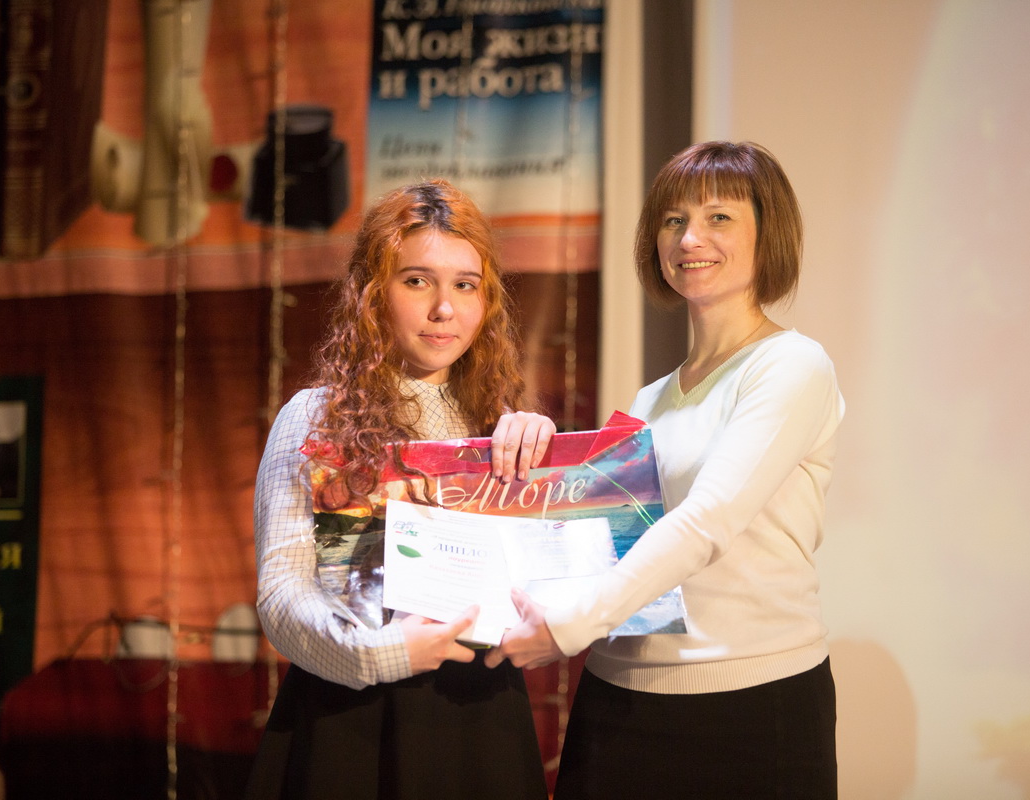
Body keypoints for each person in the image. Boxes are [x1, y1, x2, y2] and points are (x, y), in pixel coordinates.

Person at [487, 141, 845, 799]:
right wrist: (525, 448)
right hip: (617, 697)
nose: (689, 239)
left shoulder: (792, 366)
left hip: (750, 703)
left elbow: (708, 520)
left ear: (769, 235)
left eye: (719, 218)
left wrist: (567, 626)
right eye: (673, 220)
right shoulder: (650, 400)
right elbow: (602, 544)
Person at [245, 179, 554, 800]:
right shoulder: (314, 418)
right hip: (349, 717)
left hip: (479, 720)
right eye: (417, 281)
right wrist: (377, 653)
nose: (444, 309)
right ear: (372, 292)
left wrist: (548, 463)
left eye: (465, 285)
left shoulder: (502, 430)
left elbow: (544, 590)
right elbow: (281, 594)